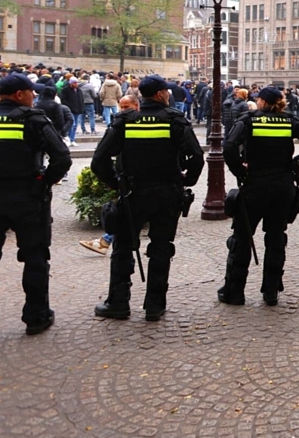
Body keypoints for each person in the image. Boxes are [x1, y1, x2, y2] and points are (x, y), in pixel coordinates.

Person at [91, 75, 205, 322]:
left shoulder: (124, 121)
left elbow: (98, 161)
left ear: (141, 94)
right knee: (161, 247)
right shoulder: (175, 120)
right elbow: (196, 157)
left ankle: (119, 303)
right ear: (163, 93)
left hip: (133, 193)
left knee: (123, 247)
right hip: (167, 192)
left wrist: (116, 184)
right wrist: (185, 182)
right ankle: (155, 305)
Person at [218, 86, 299, 306]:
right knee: (276, 238)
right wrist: (298, 162)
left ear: (262, 101)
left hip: (255, 185)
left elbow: (229, 146)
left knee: (242, 238)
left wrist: (241, 170)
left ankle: (234, 292)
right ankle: (271, 292)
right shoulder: (289, 121)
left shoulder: (249, 120)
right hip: (282, 186)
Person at [0, 74, 72, 334]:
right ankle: (36, 316)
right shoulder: (34, 119)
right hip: (28, 198)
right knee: (35, 258)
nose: (35, 97)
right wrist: (44, 184)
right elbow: (62, 157)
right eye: (32, 92)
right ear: (20, 94)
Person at [80, 95, 140, 255]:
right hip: (131, 180)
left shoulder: (123, 125)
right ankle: (105, 241)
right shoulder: (121, 123)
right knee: (127, 216)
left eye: (126, 107)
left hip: (140, 182)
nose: (123, 110)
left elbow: (99, 159)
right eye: (121, 107)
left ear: (137, 106)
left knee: (128, 218)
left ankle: (105, 241)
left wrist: (114, 182)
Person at [61, 76, 84, 146]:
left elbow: (81, 100)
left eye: (76, 83)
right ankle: (69, 138)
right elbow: (64, 100)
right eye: (74, 83)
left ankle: (72, 139)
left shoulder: (79, 90)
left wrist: (81, 108)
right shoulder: (65, 90)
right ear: (71, 83)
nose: (76, 84)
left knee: (75, 125)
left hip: (77, 110)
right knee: (71, 125)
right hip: (70, 110)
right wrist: (69, 107)